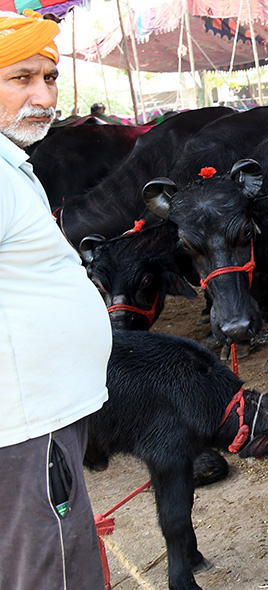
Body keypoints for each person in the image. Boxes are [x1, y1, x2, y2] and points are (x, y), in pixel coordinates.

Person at [0, 9, 111, 590]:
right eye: (21, 77)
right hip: (25, 427)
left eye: (49, 77)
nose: (42, 95)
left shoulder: (11, 163)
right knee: (53, 569)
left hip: (37, 421)